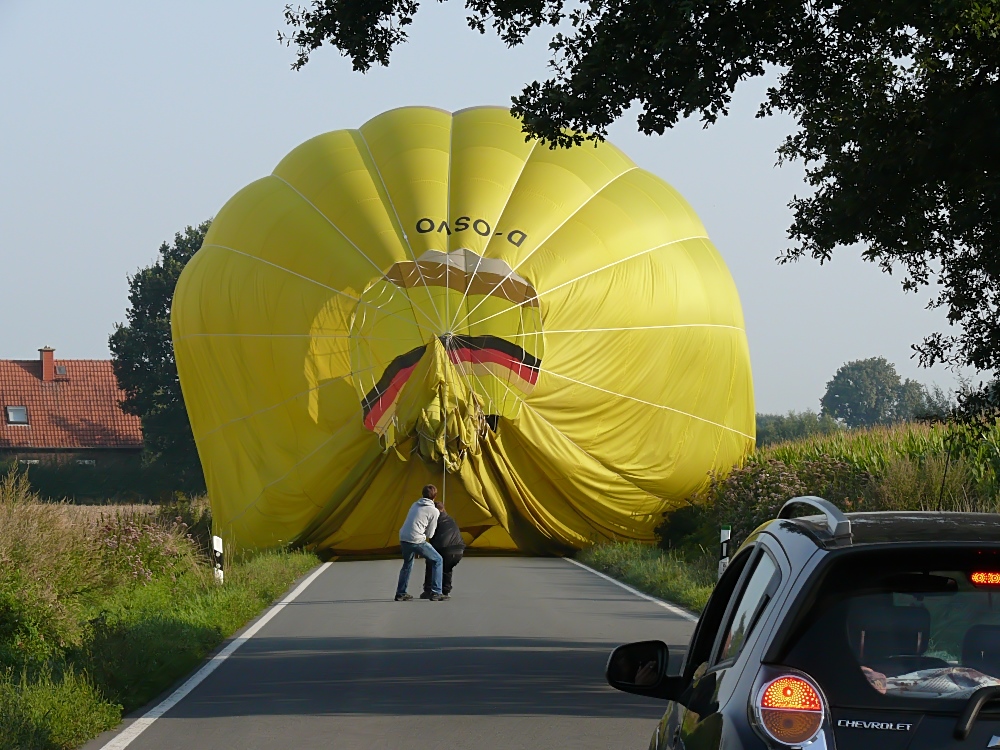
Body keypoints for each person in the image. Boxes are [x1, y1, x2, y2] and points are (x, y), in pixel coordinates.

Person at [395, 485, 446, 601]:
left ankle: (401, 593)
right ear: (435, 496)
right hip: (417, 540)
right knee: (438, 560)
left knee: (407, 564)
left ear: (422, 494)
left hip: (403, 537)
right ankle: (436, 592)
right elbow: (430, 534)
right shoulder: (434, 511)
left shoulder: (415, 504)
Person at [420, 498, 465, 598]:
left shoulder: (434, 519)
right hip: (459, 550)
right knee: (447, 568)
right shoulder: (450, 519)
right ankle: (445, 590)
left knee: (431, 562)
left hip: (445, 548)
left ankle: (428, 590)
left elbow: (430, 535)